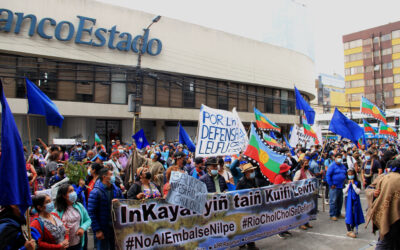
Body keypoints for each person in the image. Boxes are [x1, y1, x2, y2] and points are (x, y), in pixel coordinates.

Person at [366, 159, 400, 249]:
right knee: (386, 241)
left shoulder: (383, 177)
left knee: (386, 240)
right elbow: (370, 188)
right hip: (390, 213)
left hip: (385, 212)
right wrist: (374, 192)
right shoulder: (383, 177)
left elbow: (368, 188)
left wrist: (373, 192)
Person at [88, 168, 122, 250]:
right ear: (104, 177)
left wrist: (119, 202)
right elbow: (91, 213)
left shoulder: (116, 190)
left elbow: (123, 202)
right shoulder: (96, 192)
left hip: (114, 228)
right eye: (111, 175)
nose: (113, 177)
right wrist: (97, 230)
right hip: (103, 228)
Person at [55, 184, 92, 250]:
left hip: (78, 242)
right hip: (64, 245)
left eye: (74, 190)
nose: (74, 193)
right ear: (64, 195)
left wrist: (82, 228)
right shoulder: (57, 210)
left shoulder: (79, 206)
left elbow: (88, 220)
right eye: (70, 191)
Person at [236, 163, 260, 250]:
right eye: (251, 171)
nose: (253, 172)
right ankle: (242, 244)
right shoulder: (241, 181)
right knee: (243, 227)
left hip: (251, 207)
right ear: (246, 173)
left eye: (253, 171)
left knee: (251, 226)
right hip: (243, 208)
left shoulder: (253, 179)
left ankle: (251, 244)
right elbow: (237, 195)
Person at [293, 157, 314, 229]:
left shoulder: (308, 172)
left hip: (308, 193)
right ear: (302, 165)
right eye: (305, 164)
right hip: (301, 194)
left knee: (307, 208)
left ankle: (306, 222)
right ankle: (301, 223)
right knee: (301, 209)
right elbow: (295, 182)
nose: (307, 165)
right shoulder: (299, 172)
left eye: (307, 163)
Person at [343, 169, 364, 238]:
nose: (350, 176)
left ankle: (352, 227)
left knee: (355, 213)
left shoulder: (357, 182)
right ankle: (348, 230)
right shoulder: (345, 181)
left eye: (352, 174)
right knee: (348, 213)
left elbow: (358, 192)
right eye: (349, 175)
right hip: (347, 199)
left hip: (355, 199)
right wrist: (348, 185)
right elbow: (344, 191)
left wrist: (353, 185)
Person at [326, 153, 347, 221]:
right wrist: (331, 184)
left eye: (340, 157)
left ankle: (338, 213)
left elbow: (345, 173)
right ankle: (332, 214)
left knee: (340, 201)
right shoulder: (332, 166)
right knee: (333, 201)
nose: (339, 158)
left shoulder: (342, 166)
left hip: (341, 186)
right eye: (338, 157)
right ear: (335, 158)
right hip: (334, 186)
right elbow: (328, 175)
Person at [274, 163, 293, 238]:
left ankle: (285, 229)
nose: (289, 171)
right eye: (287, 169)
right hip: (281, 199)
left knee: (286, 215)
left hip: (287, 198)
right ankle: (279, 231)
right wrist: (281, 185)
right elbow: (275, 188)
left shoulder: (287, 177)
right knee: (281, 216)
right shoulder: (278, 177)